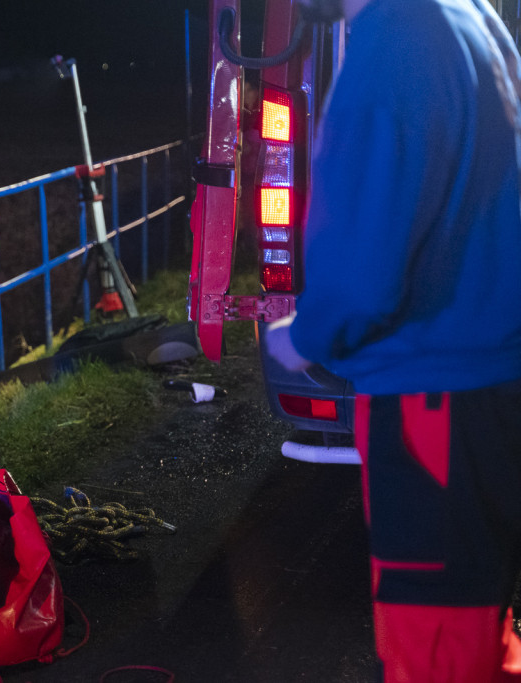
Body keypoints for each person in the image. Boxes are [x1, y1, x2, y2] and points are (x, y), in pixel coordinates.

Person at [266, 0, 521, 679]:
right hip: (490, 381)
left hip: (433, 399)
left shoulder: (395, 37)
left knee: (437, 646)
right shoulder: (471, 19)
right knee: (482, 620)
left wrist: (308, 334)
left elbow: (363, 264)